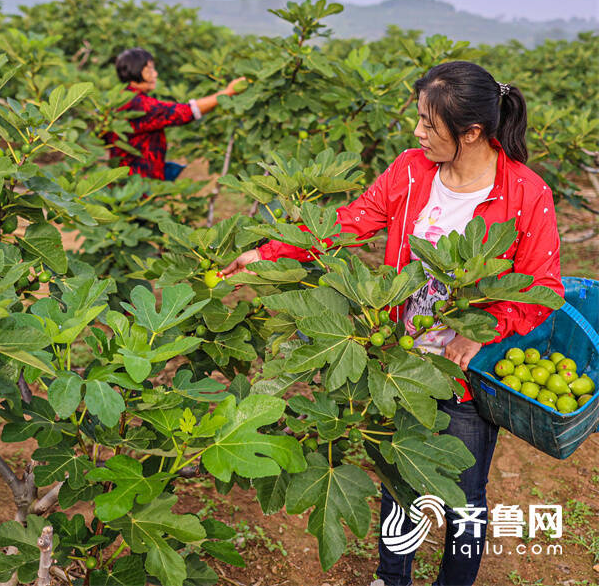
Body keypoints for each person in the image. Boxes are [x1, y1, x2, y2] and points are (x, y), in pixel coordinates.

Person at [223, 61, 563, 586]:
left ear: (471, 132)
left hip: (461, 376)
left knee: (462, 498)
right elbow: (348, 224)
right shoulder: (411, 169)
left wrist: (481, 332)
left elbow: (544, 290)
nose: (417, 132)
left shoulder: (526, 194)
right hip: (395, 361)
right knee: (399, 482)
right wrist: (268, 254)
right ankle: (391, 577)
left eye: (429, 124)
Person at [105, 47, 245, 181]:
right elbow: (184, 112)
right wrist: (228, 92)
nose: (155, 74)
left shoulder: (119, 98)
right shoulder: (139, 104)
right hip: (139, 181)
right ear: (135, 71)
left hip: (122, 177)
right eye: (149, 70)